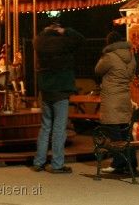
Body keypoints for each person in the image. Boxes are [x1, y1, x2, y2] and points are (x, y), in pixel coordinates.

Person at [31, 21, 85, 173]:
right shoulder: (65, 42)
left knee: (46, 126)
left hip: (46, 89)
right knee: (59, 127)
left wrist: (45, 31)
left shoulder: (40, 43)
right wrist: (66, 30)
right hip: (61, 88)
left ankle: (39, 162)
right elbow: (81, 39)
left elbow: (38, 38)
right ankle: (57, 164)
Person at [94, 31, 138, 174]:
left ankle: (118, 163)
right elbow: (131, 75)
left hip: (111, 98)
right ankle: (132, 163)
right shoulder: (131, 57)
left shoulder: (109, 57)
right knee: (126, 131)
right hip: (125, 97)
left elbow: (97, 70)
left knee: (114, 133)